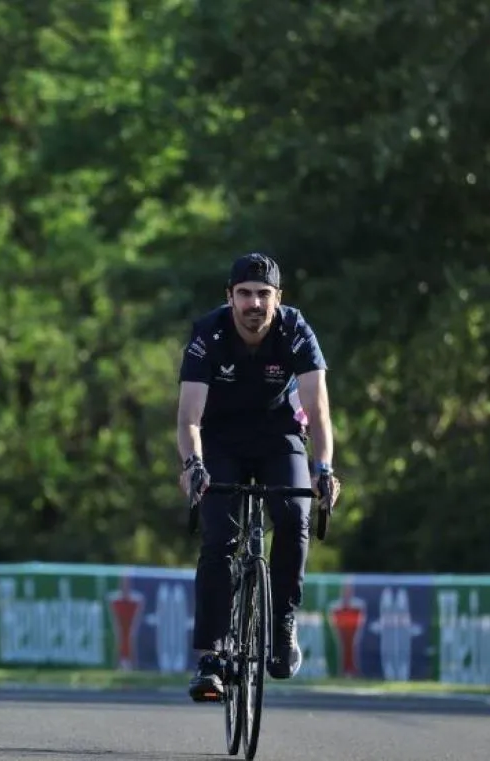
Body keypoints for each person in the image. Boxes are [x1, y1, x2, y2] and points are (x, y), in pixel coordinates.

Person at [176, 252, 341, 702]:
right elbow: (189, 418)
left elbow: (319, 411)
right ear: (229, 296)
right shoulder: (208, 334)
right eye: (245, 294)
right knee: (219, 538)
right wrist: (193, 464)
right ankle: (212, 657)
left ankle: (282, 622)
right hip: (220, 440)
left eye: (263, 294)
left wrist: (323, 468)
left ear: (277, 298)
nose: (254, 303)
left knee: (294, 515)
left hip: (279, 436)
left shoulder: (296, 331)